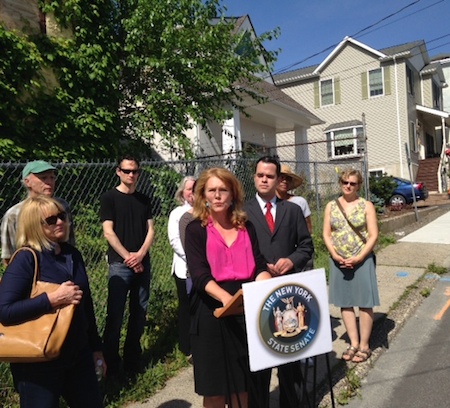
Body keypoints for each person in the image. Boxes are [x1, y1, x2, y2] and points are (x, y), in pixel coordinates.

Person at [0, 196, 104, 407]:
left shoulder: (72, 254)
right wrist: (51, 299)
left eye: (62, 216)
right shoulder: (26, 259)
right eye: (51, 220)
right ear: (34, 226)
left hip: (78, 353)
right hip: (39, 360)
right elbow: (4, 311)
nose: (60, 222)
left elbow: (86, 305)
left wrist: (96, 348)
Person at [184, 167, 271, 408]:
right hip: (212, 313)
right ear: (204, 195)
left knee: (243, 388)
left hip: (245, 312)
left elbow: (259, 264)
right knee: (215, 392)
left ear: (233, 194)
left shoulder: (247, 226)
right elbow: (199, 274)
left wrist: (262, 283)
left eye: (223, 190)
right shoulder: (195, 230)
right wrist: (228, 299)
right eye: (212, 190)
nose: (218, 195)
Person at [244, 156, 314, 408]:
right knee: (259, 362)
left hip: (288, 292)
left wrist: (291, 260)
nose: (264, 180)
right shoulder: (242, 211)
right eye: (260, 175)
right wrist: (261, 267)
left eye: (270, 176)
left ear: (278, 180)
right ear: (254, 177)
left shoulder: (292, 210)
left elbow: (306, 246)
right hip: (257, 293)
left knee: (289, 359)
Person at [100, 155, 154, 379]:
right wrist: (128, 257)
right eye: (127, 171)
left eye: (135, 171)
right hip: (119, 266)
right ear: (118, 171)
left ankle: (133, 361)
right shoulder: (109, 198)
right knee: (115, 315)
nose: (132, 175)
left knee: (139, 313)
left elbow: (151, 230)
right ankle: (111, 366)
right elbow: (108, 232)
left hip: (142, 263)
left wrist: (140, 255)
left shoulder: (144, 199)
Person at [323, 168, 379, 363]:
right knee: (345, 302)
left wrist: (360, 257)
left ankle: (364, 345)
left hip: (362, 260)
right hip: (339, 260)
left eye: (352, 183)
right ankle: (353, 342)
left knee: (364, 302)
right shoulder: (331, 205)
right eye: (345, 182)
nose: (348, 186)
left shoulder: (366, 206)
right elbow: (326, 234)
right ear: (340, 183)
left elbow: (373, 235)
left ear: (358, 185)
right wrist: (335, 255)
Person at [1, 160, 75, 266]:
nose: (49, 182)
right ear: (27, 182)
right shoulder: (14, 214)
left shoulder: (62, 206)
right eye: (43, 178)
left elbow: (70, 242)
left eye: (52, 177)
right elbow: (9, 256)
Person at [167, 176, 196, 358]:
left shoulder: (206, 210)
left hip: (202, 268)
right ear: (182, 192)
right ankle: (187, 347)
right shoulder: (177, 213)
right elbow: (174, 240)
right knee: (186, 307)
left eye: (195, 189)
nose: (192, 193)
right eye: (188, 189)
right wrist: (193, 257)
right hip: (184, 268)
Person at [276, 164, 312, 234]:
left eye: (288, 178)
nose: (285, 181)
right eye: (281, 177)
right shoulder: (268, 204)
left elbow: (308, 228)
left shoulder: (299, 202)